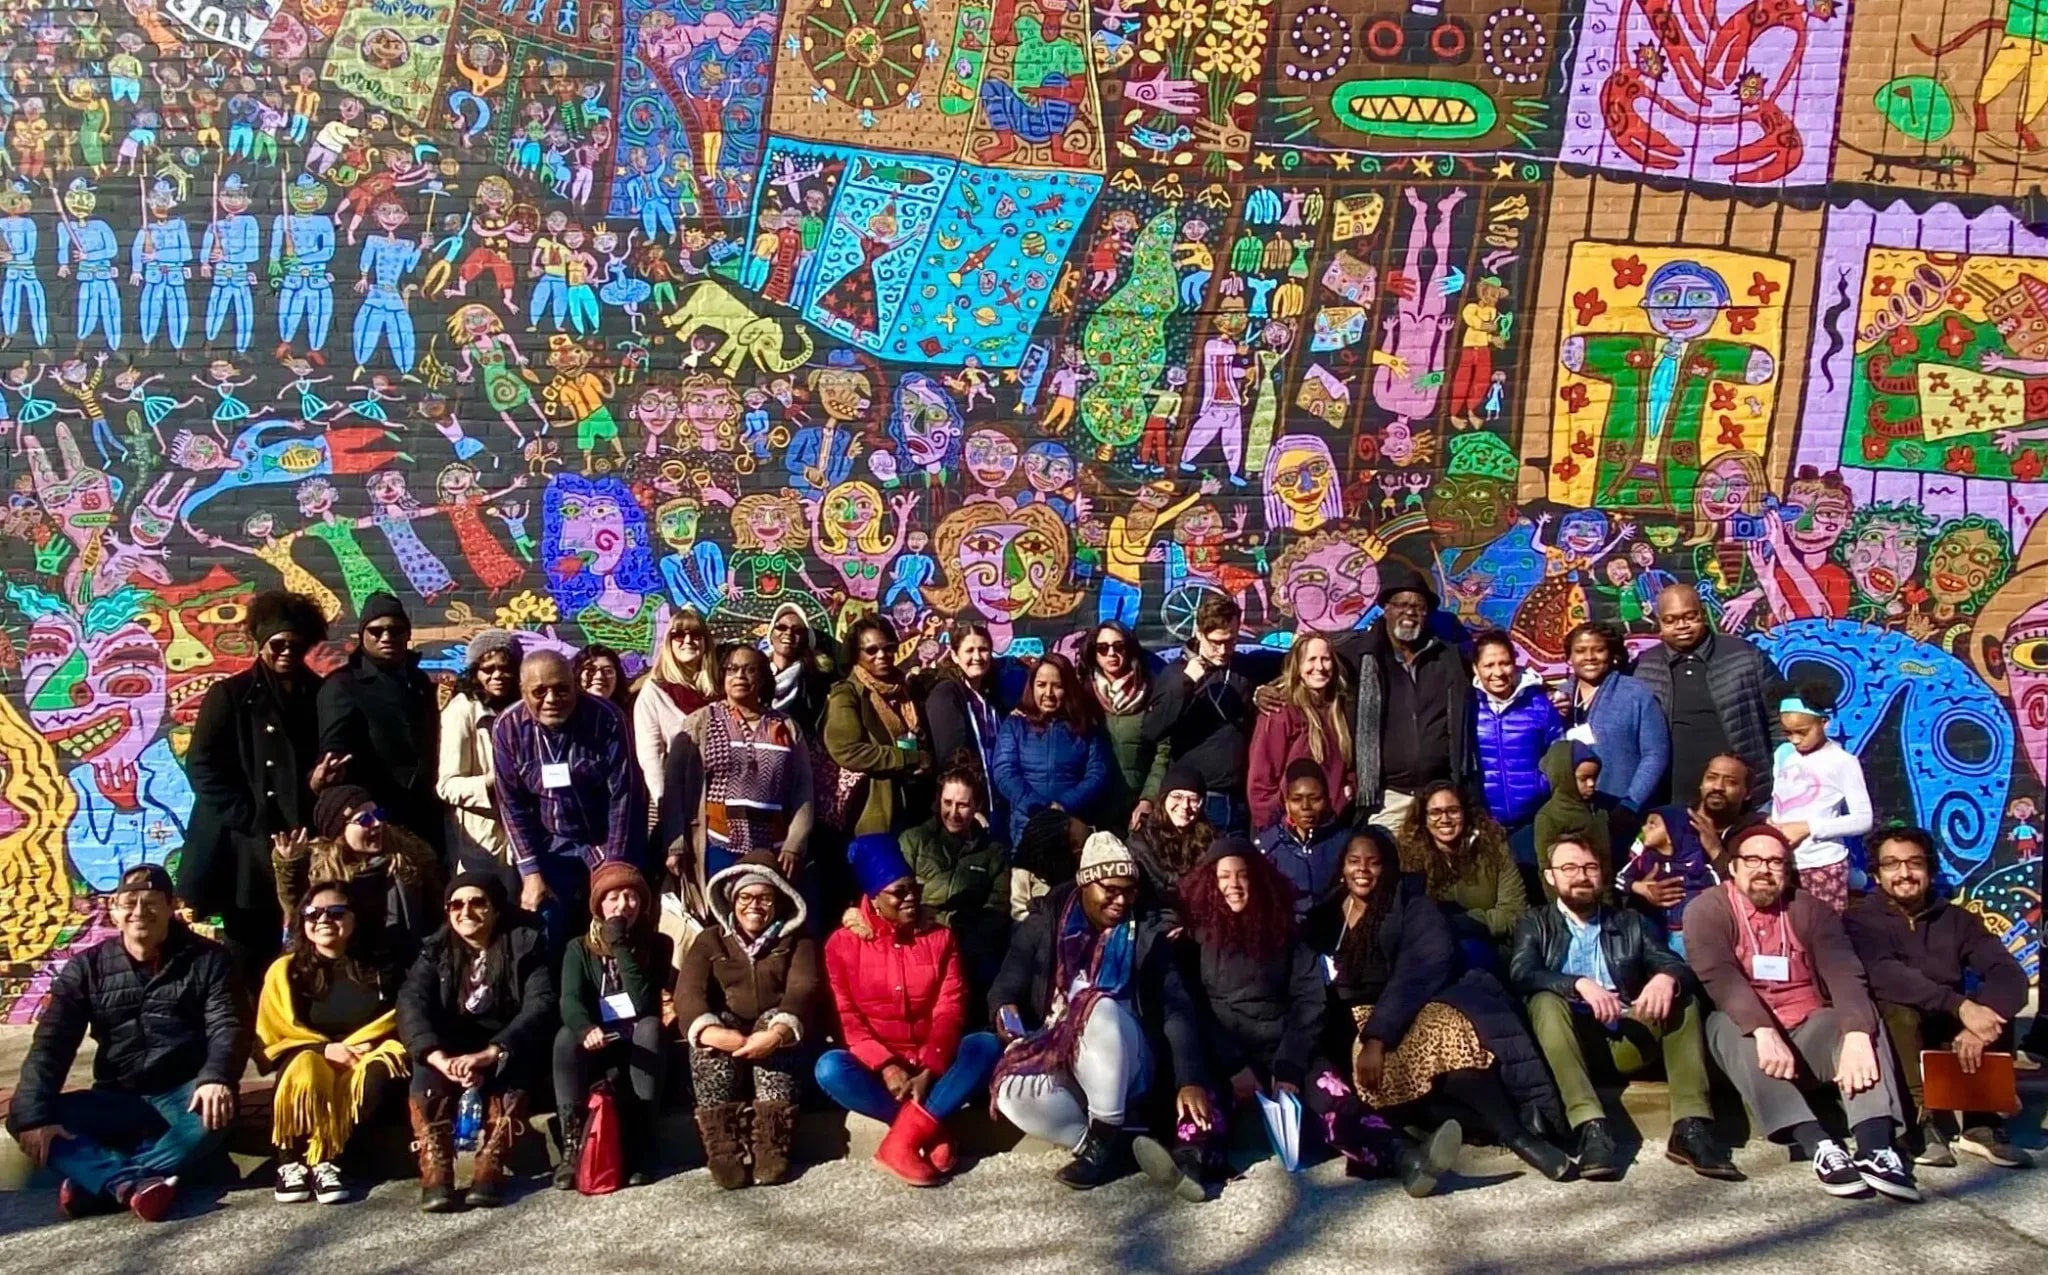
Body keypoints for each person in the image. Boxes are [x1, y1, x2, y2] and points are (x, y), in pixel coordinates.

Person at [1304, 831, 1572, 1182]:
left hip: (1413, 1002)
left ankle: (1519, 1138)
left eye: (1374, 862)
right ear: (1342, 867)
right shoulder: (1326, 915)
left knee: (1443, 1033)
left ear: (1388, 867)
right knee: (1388, 1072)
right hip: (1353, 1018)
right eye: (1354, 861)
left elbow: (1418, 973)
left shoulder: (1413, 905)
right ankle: (1501, 1126)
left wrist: (1378, 1037)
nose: (1363, 869)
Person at [1685, 824, 1916, 1201]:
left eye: (1776, 861)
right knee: (1727, 1025)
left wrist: (1857, 1033)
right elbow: (1719, 976)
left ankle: (1876, 1146)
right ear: (1734, 867)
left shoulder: (1810, 910)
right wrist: (1762, 1028)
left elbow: (1843, 971)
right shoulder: (1707, 910)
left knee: (1859, 1020)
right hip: (1749, 1037)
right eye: (1754, 860)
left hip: (1807, 1028)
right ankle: (1819, 1145)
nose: (1764, 869)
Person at [7, 866, 249, 1222]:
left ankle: (98, 1182)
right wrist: (33, 1114)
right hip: (116, 1095)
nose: (139, 912)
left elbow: (228, 1025)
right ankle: (132, 1185)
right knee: (25, 1116)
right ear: (114, 910)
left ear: (171, 908)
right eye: (130, 902)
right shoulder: (86, 968)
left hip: (183, 1094)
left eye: (151, 903)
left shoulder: (209, 960)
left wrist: (216, 1076)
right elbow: (52, 1043)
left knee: (215, 1115)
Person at [989, 832, 1211, 1198]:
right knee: (1011, 1085)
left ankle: (1105, 1132)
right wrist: (1004, 1009)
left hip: (1130, 1059)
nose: (1121, 900)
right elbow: (1006, 982)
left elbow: (1177, 1009)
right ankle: (1112, 1149)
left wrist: (1189, 1078)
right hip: (1063, 1049)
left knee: (1097, 1004)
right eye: (1110, 890)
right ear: (1085, 883)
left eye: (1128, 890)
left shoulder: (1146, 934)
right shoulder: (1045, 921)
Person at [1508, 837, 1738, 1181]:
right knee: (1544, 1001)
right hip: (1572, 1044)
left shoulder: (1630, 921)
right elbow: (1522, 973)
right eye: (1569, 868)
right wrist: (1576, 984)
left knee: (1681, 996)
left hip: (1629, 1033)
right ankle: (1591, 1128)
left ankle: (1691, 1128)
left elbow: (1674, 964)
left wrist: (1665, 977)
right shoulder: (1536, 923)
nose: (1581, 876)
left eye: (1589, 868)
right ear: (1551, 877)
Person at [817, 834, 1002, 1186]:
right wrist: (886, 1067)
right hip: (881, 1064)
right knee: (828, 1069)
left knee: (984, 1045)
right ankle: (929, 1125)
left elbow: (950, 1009)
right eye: (899, 892)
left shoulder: (939, 938)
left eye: (914, 888)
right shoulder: (841, 946)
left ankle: (904, 1139)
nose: (911, 898)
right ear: (873, 898)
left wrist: (929, 1070)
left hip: (932, 1059)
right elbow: (848, 1020)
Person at [183, 589, 345, 986]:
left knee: (310, 936)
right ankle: (247, 1032)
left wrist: (316, 784)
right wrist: (250, 816)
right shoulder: (231, 695)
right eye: (278, 644)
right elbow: (203, 766)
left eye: (295, 644)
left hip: (303, 834)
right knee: (249, 945)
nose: (287, 651)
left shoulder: (319, 694)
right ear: (261, 644)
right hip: (246, 844)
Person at [1843, 827, 2031, 1169]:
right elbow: (1885, 975)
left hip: (1950, 1031)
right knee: (1900, 1010)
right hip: (1897, 1031)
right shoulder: (1860, 920)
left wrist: (1977, 1019)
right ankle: (1921, 1121)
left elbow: (2010, 974)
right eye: (1892, 864)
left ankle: (1982, 1122)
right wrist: (1960, 1005)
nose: (1904, 873)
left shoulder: (1958, 919)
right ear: (1876, 874)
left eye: (1914, 863)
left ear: (1928, 870)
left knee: (1993, 1007)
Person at [399, 875, 557, 1212]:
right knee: (423, 1067)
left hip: (501, 1047)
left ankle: (491, 1164)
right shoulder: (435, 950)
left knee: (521, 1061)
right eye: (456, 904)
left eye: (477, 902)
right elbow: (411, 1003)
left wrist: (491, 1052)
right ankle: (436, 1170)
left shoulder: (525, 944)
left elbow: (540, 1005)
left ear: (497, 910)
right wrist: (438, 1057)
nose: (465, 911)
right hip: (451, 1052)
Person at [256, 880, 410, 1206]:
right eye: (313, 913)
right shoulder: (285, 971)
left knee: (377, 1074)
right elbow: (274, 1034)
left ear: (355, 918)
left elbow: (399, 1017)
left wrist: (374, 1043)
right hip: (307, 1052)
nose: (324, 919)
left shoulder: (381, 968)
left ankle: (329, 1160)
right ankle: (290, 1163)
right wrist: (323, 1050)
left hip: (367, 1050)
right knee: (305, 1071)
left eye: (336, 912)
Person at [678, 852, 821, 1190]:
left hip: (772, 1031)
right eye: (745, 896)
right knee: (706, 1041)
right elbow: (689, 991)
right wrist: (710, 1030)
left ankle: (771, 1140)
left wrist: (780, 1031)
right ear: (732, 900)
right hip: (729, 1029)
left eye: (764, 897)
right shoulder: (710, 939)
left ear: (778, 900)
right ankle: (722, 1145)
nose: (754, 905)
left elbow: (803, 988)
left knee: (776, 1025)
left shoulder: (797, 941)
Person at [492, 650, 642, 953]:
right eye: (539, 691)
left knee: (612, 933)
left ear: (576, 685)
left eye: (561, 689)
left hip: (603, 840)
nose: (551, 699)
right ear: (523, 692)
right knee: (544, 935)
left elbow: (624, 796)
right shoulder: (507, 728)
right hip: (549, 846)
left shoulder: (607, 719)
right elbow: (511, 805)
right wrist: (531, 872)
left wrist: (613, 869)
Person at [1316, 564, 1477, 832]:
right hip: (1387, 797)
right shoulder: (1355, 656)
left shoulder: (1447, 657)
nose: (1410, 613)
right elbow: (1306, 671)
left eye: (1419, 607)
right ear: (1386, 609)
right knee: (1388, 868)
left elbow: (1495, 668)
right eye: (1402, 605)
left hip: (1439, 795)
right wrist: (1269, 690)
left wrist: (1539, 688)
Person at [553, 860, 672, 1190]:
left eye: (632, 897)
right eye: (614, 898)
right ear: (598, 905)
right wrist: (583, 1029)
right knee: (565, 1038)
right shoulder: (578, 948)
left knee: (651, 1026)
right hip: (598, 1040)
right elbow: (570, 1000)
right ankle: (572, 1146)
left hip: (638, 1041)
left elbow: (645, 1003)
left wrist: (620, 945)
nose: (623, 906)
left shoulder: (658, 944)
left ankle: (642, 1148)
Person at [668, 643, 814, 904]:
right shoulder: (701, 722)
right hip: (717, 845)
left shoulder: (786, 727)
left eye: (750, 670)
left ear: (762, 677)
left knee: (766, 917)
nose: (740, 677)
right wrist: (675, 844)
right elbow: (675, 788)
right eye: (732, 670)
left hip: (774, 849)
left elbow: (803, 790)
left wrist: (794, 844)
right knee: (722, 921)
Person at [1631, 583, 1782, 810]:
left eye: (1689, 617)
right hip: (1671, 799)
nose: (1681, 626)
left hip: (1745, 799)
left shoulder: (1744, 656)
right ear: (1659, 622)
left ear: (1702, 613)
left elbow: (1779, 717)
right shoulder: (1644, 667)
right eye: (1670, 620)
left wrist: (1783, 775)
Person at [317, 592, 443, 853]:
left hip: (425, 817)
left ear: (407, 635)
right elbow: (334, 751)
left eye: (395, 630)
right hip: (375, 819)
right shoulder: (343, 685)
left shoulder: (419, 682)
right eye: (376, 631)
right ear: (362, 635)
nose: (386, 637)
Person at [272, 784, 443, 956]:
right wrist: (290, 865)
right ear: (339, 833)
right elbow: (296, 911)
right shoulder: (323, 873)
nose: (377, 823)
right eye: (364, 820)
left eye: (378, 814)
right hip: (345, 963)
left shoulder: (409, 859)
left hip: (405, 961)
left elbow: (436, 914)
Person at [1141, 596, 1254, 833]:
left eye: (1231, 641)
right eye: (1215, 642)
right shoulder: (1175, 674)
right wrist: (1186, 683)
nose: (1223, 650)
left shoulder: (1243, 669)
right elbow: (1151, 729)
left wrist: (1266, 690)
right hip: (1193, 800)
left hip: (1237, 798)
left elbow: (1292, 669)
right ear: (1199, 633)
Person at [899, 768, 1012, 995]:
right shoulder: (914, 840)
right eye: (947, 802)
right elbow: (898, 894)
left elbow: (997, 909)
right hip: (919, 938)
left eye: (962, 805)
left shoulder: (992, 853)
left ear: (977, 806)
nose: (953, 812)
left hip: (967, 946)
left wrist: (967, 945)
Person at [1396, 781, 1527, 967]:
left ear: (1465, 813)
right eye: (1435, 813)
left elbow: (1515, 913)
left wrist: (1466, 922)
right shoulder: (1408, 857)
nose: (1445, 819)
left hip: (1492, 949)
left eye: (1453, 810)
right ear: (1423, 818)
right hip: (1431, 951)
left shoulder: (1495, 848)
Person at [824, 614, 932, 836]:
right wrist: (909, 758)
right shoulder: (847, 694)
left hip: (913, 812)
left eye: (889, 648)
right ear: (856, 655)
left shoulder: (905, 691)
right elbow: (847, 751)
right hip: (873, 814)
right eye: (871, 650)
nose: (882, 655)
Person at [1559, 622, 1667, 843]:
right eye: (1580, 651)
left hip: (1623, 811)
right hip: (1571, 816)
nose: (1589, 657)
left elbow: (1655, 753)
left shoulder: (1635, 694)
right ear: (1569, 657)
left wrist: (1631, 803)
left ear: (1612, 655)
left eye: (1598, 650)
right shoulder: (1558, 699)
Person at [1769, 683, 1871, 914]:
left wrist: (1808, 828)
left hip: (1822, 866)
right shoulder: (1784, 755)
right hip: (1782, 863)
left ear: (1824, 723)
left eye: (1802, 732)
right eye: (1787, 732)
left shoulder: (1842, 762)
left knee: (1824, 935)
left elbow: (1864, 819)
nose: (1794, 739)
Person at [437, 629, 523, 895]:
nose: (498, 676)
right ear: (475, 672)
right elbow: (447, 786)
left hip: (523, 835)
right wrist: (493, 782)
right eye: (489, 669)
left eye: (506, 668)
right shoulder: (462, 711)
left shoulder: (523, 708)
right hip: (481, 841)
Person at [993, 653, 1111, 846]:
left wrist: (1063, 806)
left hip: (1073, 827)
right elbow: (1004, 772)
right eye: (1041, 685)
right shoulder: (1015, 724)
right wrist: (1039, 807)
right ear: (1032, 687)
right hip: (1027, 827)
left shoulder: (1086, 726)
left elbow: (1097, 773)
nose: (1048, 693)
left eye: (1057, 686)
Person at [1471, 630, 1564, 863]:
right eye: (1488, 665)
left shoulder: (1539, 704)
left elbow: (1558, 753)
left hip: (1533, 819)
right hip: (1484, 822)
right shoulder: (1468, 706)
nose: (1498, 673)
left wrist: (1541, 786)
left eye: (1505, 663)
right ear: (1475, 669)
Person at [1247, 634, 1355, 829]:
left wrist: (1347, 791)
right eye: (1311, 660)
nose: (1319, 667)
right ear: (1297, 665)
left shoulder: (1339, 708)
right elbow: (1261, 782)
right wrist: (1275, 828)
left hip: (1332, 827)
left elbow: (1348, 765)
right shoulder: (1280, 710)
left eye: (1325, 659)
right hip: (1288, 831)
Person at [635, 608, 716, 842]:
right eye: (679, 636)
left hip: (718, 802)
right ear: (669, 643)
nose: (688, 641)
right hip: (674, 801)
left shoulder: (720, 689)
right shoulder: (654, 692)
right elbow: (651, 758)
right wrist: (668, 812)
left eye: (695, 634)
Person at [1082, 619, 1166, 832]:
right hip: (1095, 806)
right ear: (1094, 653)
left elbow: (1163, 752)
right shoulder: (1083, 695)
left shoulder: (1152, 691)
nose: (1111, 653)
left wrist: (1148, 798)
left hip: (1139, 806)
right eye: (1103, 648)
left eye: (1118, 646)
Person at [921, 619, 1005, 818]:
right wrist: (970, 807)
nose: (977, 657)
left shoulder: (990, 698)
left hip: (996, 801)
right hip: (968, 808)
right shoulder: (946, 694)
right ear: (955, 656)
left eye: (983, 650)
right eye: (969, 650)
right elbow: (951, 757)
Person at [1614, 804, 1720, 956]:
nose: (1644, 829)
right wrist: (1640, 887)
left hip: (1694, 931)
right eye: (1645, 824)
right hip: (1658, 929)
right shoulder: (1644, 861)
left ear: (1672, 834)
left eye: (1653, 824)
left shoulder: (1695, 861)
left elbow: (1720, 885)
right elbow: (1620, 879)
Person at [1255, 758, 1350, 918]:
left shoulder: (1345, 843)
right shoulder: (1267, 846)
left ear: (1327, 801)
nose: (1305, 807)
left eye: (1315, 799)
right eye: (1296, 800)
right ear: (1286, 803)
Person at [1127, 764, 1216, 920]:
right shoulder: (1140, 842)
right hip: (1152, 926)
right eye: (1177, 797)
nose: (1185, 806)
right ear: (1163, 799)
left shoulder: (1212, 843)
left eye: (1193, 799)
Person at [1532, 741, 1610, 881]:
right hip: (1575, 891)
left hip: (1608, 891)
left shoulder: (1602, 806)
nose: (1591, 784)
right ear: (1564, 777)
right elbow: (1546, 868)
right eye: (1584, 779)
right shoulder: (1549, 817)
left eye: (1594, 777)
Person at [765, 602, 835, 735]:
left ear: (807, 639)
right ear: (771, 634)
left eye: (797, 630)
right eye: (781, 627)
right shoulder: (755, 675)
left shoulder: (816, 682)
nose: (788, 633)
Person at [573, 643, 635, 719]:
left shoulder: (627, 716)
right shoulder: (567, 715)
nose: (599, 676)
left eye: (607, 671)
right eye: (591, 670)